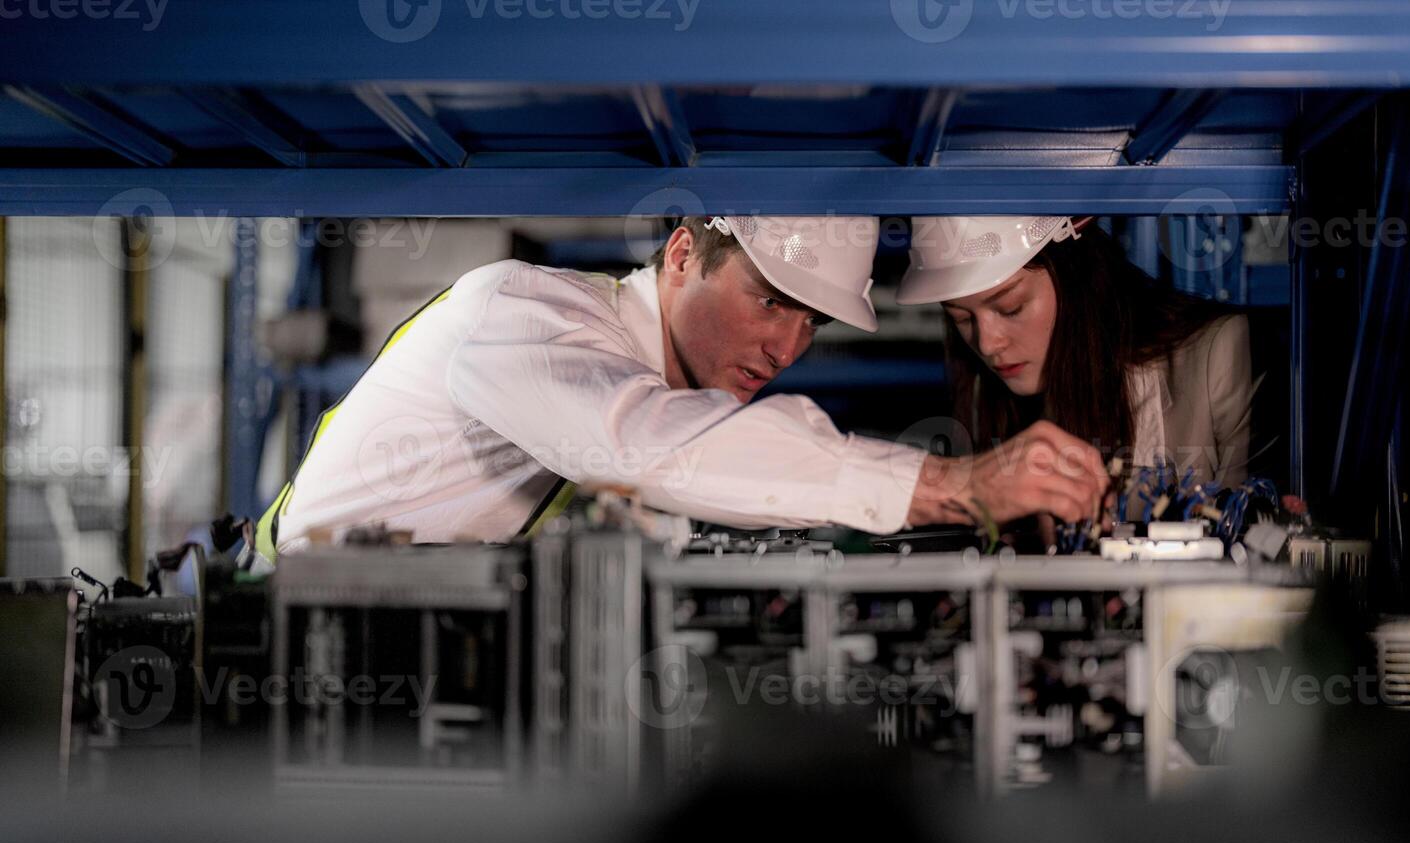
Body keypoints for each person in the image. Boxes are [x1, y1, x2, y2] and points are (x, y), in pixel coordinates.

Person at [254, 215, 1110, 563]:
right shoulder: (524, 307)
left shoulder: (627, 367)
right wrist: (952, 485)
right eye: (769, 301)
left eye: (812, 322)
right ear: (681, 254)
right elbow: (639, 442)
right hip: (290, 650)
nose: (787, 346)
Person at [897, 215, 1254, 523]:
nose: (988, 344)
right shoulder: (981, 395)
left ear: (1074, 276)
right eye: (961, 318)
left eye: (1011, 308)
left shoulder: (1218, 355)